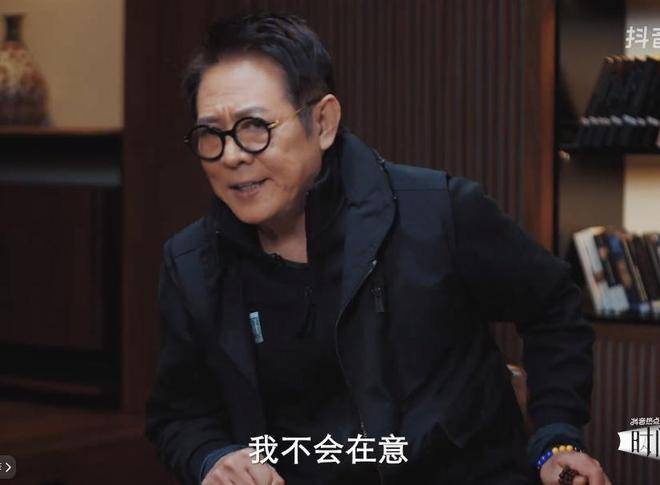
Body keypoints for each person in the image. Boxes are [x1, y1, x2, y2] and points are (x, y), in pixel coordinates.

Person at [145, 13, 611, 485]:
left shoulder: (437, 212)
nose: (231, 155)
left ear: (323, 122)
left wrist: (556, 438)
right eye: (211, 135)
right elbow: (178, 414)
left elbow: (553, 306)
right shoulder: (192, 264)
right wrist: (212, 458)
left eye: (254, 127)